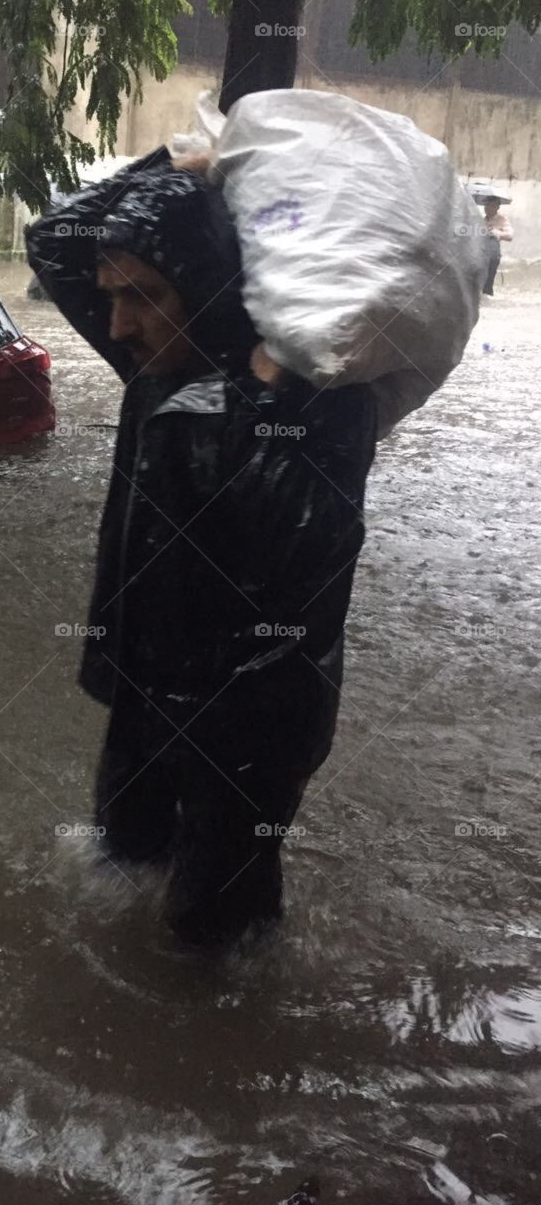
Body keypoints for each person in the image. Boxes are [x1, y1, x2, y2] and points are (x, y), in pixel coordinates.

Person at [26, 148, 378, 950]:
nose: (116, 322)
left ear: (209, 283)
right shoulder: (153, 360)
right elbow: (55, 239)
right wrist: (168, 165)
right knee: (120, 860)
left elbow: (303, 549)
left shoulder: (318, 396)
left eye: (143, 297)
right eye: (112, 296)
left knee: (211, 937)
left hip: (250, 722)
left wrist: (258, 397)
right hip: (146, 688)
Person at [481, 194, 513, 296]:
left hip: (493, 255)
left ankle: (488, 299)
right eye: (486, 205)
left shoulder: (502, 219)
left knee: (488, 282)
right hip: (479, 253)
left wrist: (497, 233)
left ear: (497, 207)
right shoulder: (481, 220)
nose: (487, 207)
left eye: (490, 205)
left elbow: (509, 236)